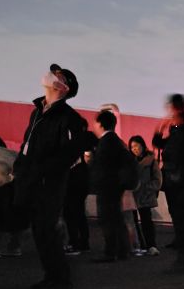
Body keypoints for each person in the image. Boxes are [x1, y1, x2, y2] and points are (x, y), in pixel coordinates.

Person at [13, 64, 84, 289]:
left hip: (49, 183)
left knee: (48, 230)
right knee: (38, 230)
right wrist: (20, 167)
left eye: (58, 75)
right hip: (30, 179)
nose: (51, 75)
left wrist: (45, 170)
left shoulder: (68, 117)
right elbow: (27, 143)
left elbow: (71, 152)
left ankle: (61, 279)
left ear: (63, 88)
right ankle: (50, 276)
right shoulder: (37, 111)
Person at [152, 94, 184, 270]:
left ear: (178, 108)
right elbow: (158, 143)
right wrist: (162, 126)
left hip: (182, 183)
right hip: (175, 182)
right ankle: (182, 254)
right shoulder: (177, 131)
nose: (169, 112)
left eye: (171, 108)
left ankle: (183, 259)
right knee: (179, 217)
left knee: (182, 219)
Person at [90, 110, 132, 262]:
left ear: (100, 124)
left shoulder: (106, 142)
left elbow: (102, 167)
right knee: (116, 217)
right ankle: (122, 250)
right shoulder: (117, 141)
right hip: (115, 186)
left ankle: (111, 252)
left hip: (107, 187)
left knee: (108, 219)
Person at [63, 124, 95, 255]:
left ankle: (74, 243)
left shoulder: (78, 142)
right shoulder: (89, 139)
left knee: (70, 213)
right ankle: (83, 242)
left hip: (74, 182)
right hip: (83, 182)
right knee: (79, 212)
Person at [129, 135, 162, 255]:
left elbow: (157, 180)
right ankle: (138, 245)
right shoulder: (130, 161)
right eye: (132, 147)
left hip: (145, 195)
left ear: (142, 145)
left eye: (137, 146)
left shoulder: (151, 160)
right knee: (133, 222)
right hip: (132, 195)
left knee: (146, 221)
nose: (135, 149)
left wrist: (146, 187)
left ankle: (151, 245)